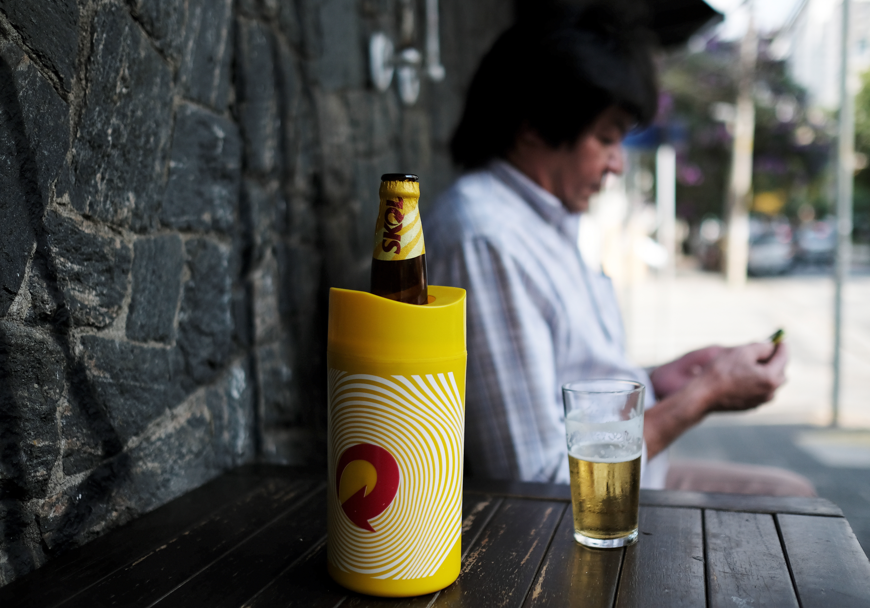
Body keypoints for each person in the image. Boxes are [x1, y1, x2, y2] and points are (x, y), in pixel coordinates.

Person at [424, 4, 814, 496]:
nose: (617, 164)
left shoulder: (544, 221)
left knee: (790, 492)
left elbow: (566, 381)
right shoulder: (485, 238)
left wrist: (657, 381)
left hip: (633, 481)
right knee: (788, 501)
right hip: (578, 510)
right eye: (605, 138)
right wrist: (702, 396)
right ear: (533, 126)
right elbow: (540, 479)